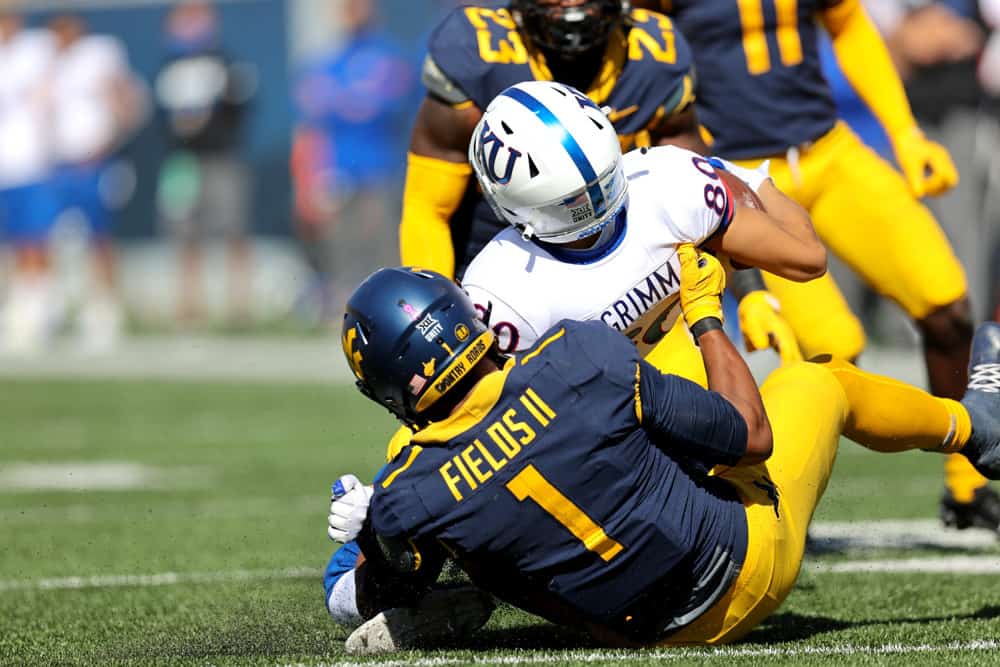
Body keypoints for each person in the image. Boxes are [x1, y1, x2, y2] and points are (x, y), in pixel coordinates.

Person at [325, 260, 1000, 653]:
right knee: (818, 379)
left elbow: (378, 581)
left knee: (439, 524)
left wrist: (373, 525)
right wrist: (708, 311)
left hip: (638, 632)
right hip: (745, 565)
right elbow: (751, 435)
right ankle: (979, 428)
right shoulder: (575, 356)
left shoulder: (408, 488)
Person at [632, 0, 996, 533]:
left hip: (829, 150)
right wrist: (743, 277)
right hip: (746, 178)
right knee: (834, 354)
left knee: (945, 301)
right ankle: (764, 514)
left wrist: (905, 133)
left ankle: (968, 485)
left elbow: (847, 24)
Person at [399, 0, 798, 380]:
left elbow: (704, 189)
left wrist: (750, 290)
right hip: (509, 280)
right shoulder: (479, 56)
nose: (571, 6)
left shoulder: (652, 57)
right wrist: (440, 323)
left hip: (628, 263)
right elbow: (428, 208)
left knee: (689, 396)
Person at [291, 0, 416, 324]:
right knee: (341, 247)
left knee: (380, 245)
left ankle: (390, 314)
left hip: (379, 167)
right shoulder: (332, 59)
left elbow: (386, 103)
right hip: (338, 168)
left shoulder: (388, 55)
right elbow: (313, 102)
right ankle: (345, 313)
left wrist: (346, 100)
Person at [155, 0, 254, 326]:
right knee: (184, 235)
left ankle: (239, 305)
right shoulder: (168, 66)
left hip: (220, 157)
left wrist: (209, 117)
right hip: (182, 163)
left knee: (232, 231)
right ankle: (189, 306)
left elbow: (241, 106)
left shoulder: (226, 62)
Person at [48, 14, 143, 351]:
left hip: (96, 161)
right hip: (58, 163)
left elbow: (127, 102)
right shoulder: (47, 60)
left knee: (98, 238)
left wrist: (107, 144)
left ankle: (105, 310)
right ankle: (58, 309)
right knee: (52, 240)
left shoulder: (101, 54)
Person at [0, 8, 58, 353]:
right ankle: (17, 308)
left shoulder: (36, 50)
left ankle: (37, 310)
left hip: (30, 165)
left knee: (33, 240)